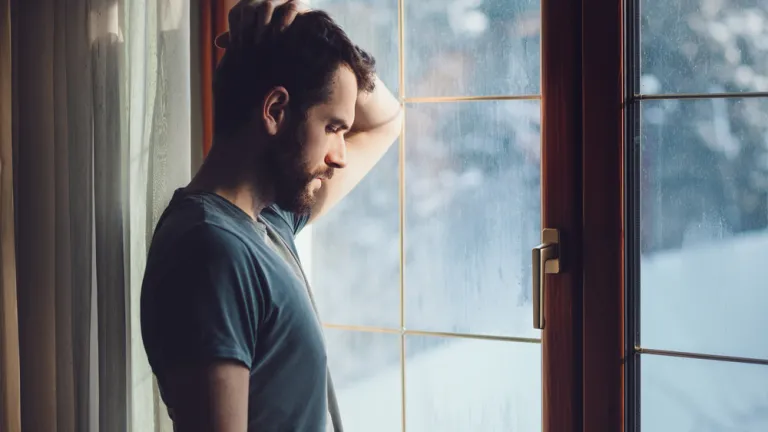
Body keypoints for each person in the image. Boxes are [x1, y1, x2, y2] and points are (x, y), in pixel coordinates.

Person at [139, 1, 402, 430]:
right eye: (333, 127)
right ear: (276, 110)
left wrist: (306, 26)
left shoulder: (268, 222)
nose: (340, 155)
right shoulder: (209, 251)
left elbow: (385, 123)